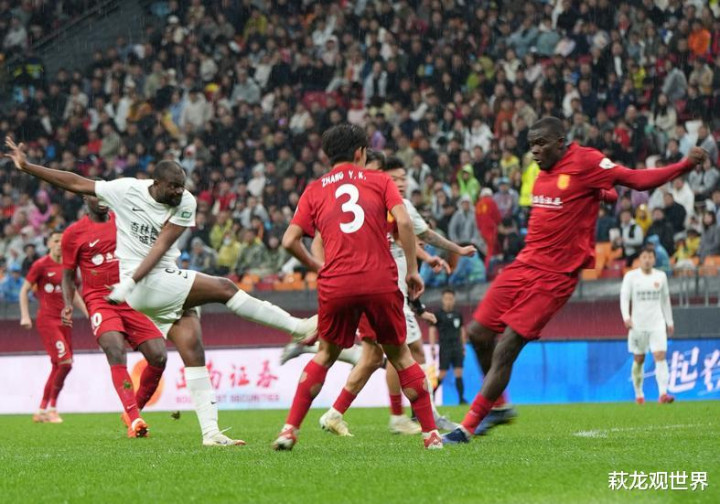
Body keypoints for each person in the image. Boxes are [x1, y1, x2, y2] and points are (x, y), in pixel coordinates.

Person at [5, 137, 317, 447]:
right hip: (144, 285)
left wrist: (129, 283)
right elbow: (75, 182)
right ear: (156, 184)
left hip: (155, 282)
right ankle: (296, 327)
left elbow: (163, 245)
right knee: (225, 288)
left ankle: (211, 433)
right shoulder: (126, 190)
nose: (179, 192)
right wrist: (28, 167)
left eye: (182, 186)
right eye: (173, 187)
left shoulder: (186, 202)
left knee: (193, 351)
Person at [443, 117, 706, 444]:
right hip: (524, 264)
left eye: (541, 143)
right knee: (478, 333)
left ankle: (467, 427)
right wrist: (603, 195)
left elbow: (635, 180)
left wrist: (684, 165)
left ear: (560, 142)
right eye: (531, 145)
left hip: (556, 276)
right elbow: (587, 194)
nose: (535, 151)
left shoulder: (587, 161)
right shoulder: (543, 171)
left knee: (508, 344)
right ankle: (498, 407)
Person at [273, 124, 442, 450]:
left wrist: (318, 268)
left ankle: (289, 430)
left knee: (325, 355)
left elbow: (289, 240)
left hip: (337, 282)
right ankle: (431, 434)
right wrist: (413, 270)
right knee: (401, 356)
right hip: (379, 280)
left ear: (328, 155)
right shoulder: (380, 181)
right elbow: (404, 222)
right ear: (360, 152)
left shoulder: (314, 189)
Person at [316, 154, 474, 436]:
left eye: (403, 178)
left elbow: (414, 236)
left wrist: (445, 253)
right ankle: (418, 416)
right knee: (405, 350)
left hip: (389, 290)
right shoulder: (369, 202)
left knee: (374, 357)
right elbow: (322, 240)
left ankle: (337, 414)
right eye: (394, 177)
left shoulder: (401, 206)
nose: (400, 182)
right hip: (378, 289)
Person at [60, 193, 168, 438]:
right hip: (100, 300)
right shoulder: (74, 233)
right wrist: (67, 304)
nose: (100, 200)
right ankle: (135, 419)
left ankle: (132, 411)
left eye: (104, 195)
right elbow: (68, 276)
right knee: (115, 349)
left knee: (159, 356)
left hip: (131, 297)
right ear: (85, 200)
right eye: (94, 196)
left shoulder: (126, 221)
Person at [19, 227, 87, 424]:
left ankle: (41, 409)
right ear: (49, 243)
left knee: (61, 365)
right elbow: (24, 291)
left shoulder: (69, 266)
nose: (59, 244)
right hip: (48, 320)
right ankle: (52, 409)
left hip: (65, 322)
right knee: (65, 362)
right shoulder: (41, 265)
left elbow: (73, 293)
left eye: (62, 241)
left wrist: (89, 314)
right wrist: (25, 316)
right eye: (56, 240)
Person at [621, 245, 675, 405]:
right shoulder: (631, 277)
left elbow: (665, 300)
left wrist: (669, 321)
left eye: (650, 257)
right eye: (644, 257)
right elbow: (624, 298)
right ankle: (639, 394)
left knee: (660, 356)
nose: (647, 260)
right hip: (638, 325)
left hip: (657, 323)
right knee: (639, 359)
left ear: (654, 259)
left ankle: (663, 393)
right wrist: (626, 317)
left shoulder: (661, 276)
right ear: (639, 259)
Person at [428, 288, 467, 404]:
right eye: (446, 298)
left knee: (459, 372)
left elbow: (462, 330)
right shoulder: (438, 314)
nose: (448, 301)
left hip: (457, 347)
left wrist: (463, 346)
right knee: (442, 374)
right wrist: (432, 347)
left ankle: (461, 399)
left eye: (450, 298)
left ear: (454, 300)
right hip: (445, 347)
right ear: (443, 300)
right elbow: (432, 330)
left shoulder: (458, 314)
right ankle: (431, 394)